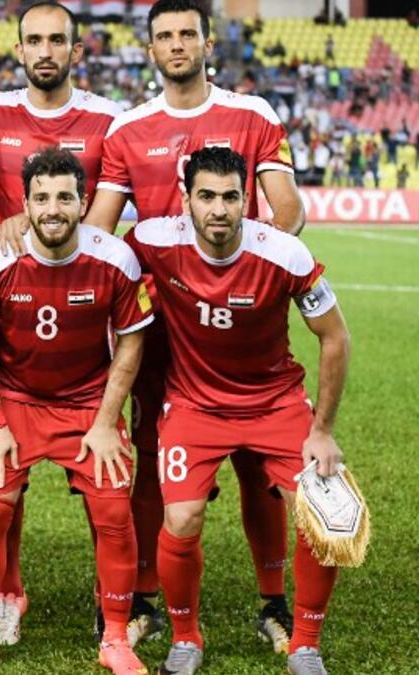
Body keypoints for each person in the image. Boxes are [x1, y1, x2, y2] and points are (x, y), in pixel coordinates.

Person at [83, 0, 305, 648]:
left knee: (260, 461)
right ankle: (147, 595)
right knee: (153, 454)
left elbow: (287, 209)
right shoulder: (128, 129)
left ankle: (273, 600)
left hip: (237, 317)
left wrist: (239, 273)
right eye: (165, 36)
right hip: (159, 323)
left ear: (208, 41)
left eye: (188, 34)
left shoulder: (253, 115)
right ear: (149, 49)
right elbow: (100, 228)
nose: (177, 44)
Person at [125, 147, 349, 675]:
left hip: (275, 402)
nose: (219, 209)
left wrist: (323, 431)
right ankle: (185, 637)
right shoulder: (155, 240)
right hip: (194, 404)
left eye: (230, 197)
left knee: (322, 517)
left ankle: (306, 645)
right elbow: (96, 259)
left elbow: (335, 338)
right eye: (206, 196)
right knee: (180, 517)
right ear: (187, 201)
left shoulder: (285, 254)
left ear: (248, 200)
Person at [0, 149, 150, 675]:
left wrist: (107, 422)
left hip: (88, 402)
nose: (53, 208)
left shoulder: (115, 258)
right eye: (42, 198)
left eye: (65, 197)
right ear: (25, 202)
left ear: (84, 202)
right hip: (15, 400)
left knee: (114, 512)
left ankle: (114, 637)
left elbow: (130, 343)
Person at [0, 0, 123, 643]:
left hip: (84, 321)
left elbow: (121, 201)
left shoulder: (107, 121)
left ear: (75, 50)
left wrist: (75, 246)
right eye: (33, 40)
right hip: (7, 321)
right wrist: (15, 224)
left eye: (56, 40)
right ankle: (7, 592)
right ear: (18, 49)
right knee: (1, 481)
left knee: (108, 476)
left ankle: (113, 595)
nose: (45, 50)